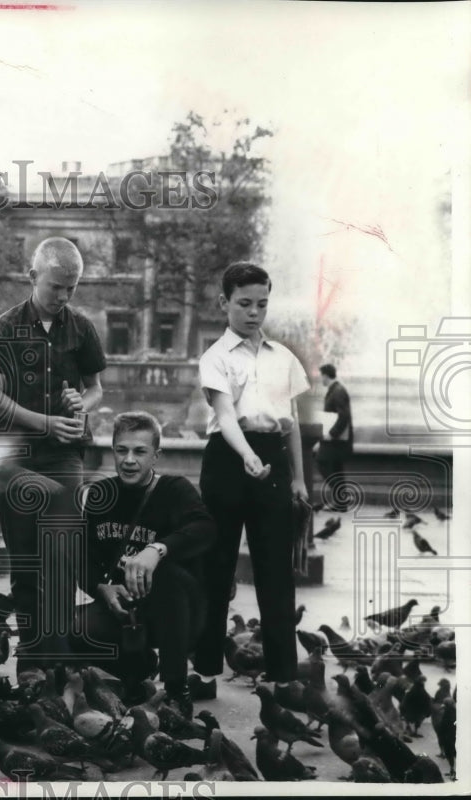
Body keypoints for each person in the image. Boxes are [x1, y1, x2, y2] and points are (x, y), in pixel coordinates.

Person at [0, 236, 107, 672]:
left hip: (64, 456)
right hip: (14, 455)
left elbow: (95, 389)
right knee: (25, 557)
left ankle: (56, 659)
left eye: (72, 287)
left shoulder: (82, 327)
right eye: (56, 286)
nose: (64, 296)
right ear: (33, 277)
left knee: (61, 552)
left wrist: (81, 405)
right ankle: (31, 661)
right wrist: (46, 421)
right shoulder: (4, 326)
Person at [191, 261, 310, 691]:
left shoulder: (285, 359)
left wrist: (297, 479)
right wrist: (245, 456)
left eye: (261, 303)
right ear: (225, 303)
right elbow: (225, 415)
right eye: (244, 303)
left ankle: (282, 676)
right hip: (228, 459)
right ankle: (204, 670)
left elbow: (292, 423)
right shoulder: (215, 357)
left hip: (271, 459)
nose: (254, 312)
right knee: (216, 567)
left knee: (276, 570)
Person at [73, 412, 215, 717]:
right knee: (71, 629)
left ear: (156, 456)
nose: (129, 460)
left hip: (180, 612)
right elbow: (82, 556)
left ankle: (177, 691)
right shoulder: (100, 494)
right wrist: (101, 587)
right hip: (127, 608)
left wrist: (157, 549)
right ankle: (135, 673)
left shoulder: (175, 490)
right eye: (121, 450)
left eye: (140, 452)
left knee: (167, 576)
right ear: (112, 450)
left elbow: (205, 528)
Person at [314, 363, 353, 511]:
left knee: (322, 462)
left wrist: (331, 434)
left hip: (335, 440)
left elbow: (344, 416)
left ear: (325, 375)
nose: (320, 379)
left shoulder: (337, 391)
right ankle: (341, 502)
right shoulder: (336, 389)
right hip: (336, 440)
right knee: (336, 468)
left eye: (321, 376)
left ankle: (341, 499)